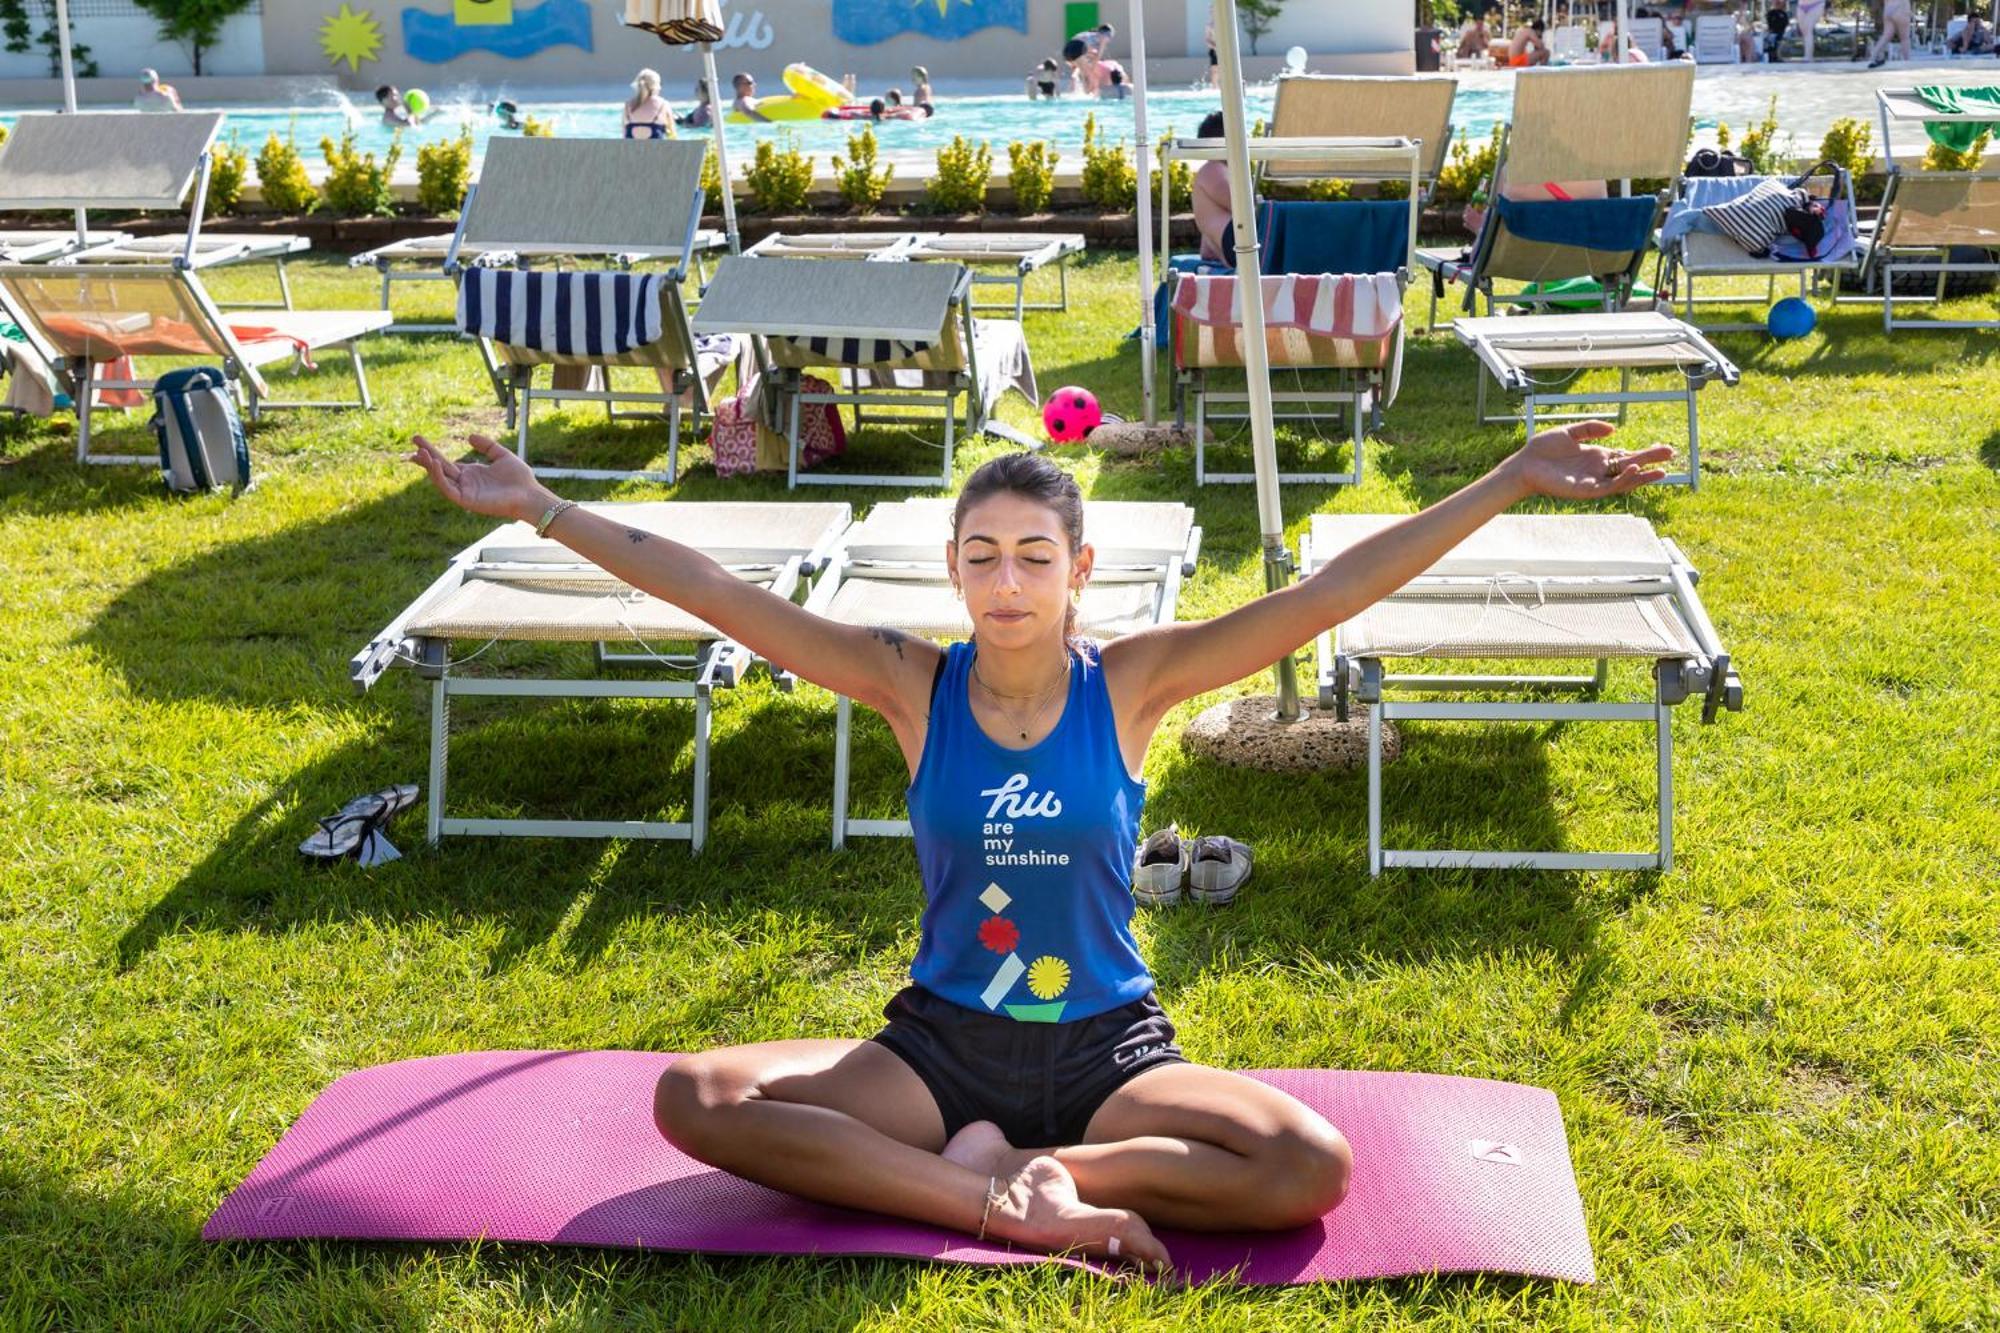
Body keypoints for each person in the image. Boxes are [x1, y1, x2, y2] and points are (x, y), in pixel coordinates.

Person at [407, 419, 1671, 1272]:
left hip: (1108, 1046)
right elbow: (719, 595)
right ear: (954, 571)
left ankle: (1026, 1166)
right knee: (694, 1095)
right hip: (941, 1043)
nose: (1005, 582)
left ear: (1078, 567)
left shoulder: (1134, 682)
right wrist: (545, 507)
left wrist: (1505, 478)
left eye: (1032, 556)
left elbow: (1326, 599)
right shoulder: (910, 685)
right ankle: (1004, 1205)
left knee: (1308, 1163)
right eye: (980, 557)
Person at [1191, 110, 1235, 266]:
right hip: (1238, 244)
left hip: (1233, 243)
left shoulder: (1214, 171)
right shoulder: (1213, 169)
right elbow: (1244, 208)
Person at [623, 68, 674, 140]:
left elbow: (624, 135)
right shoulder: (663, 105)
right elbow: (672, 135)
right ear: (656, 86)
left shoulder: (628, 105)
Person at [1868, 0, 1913, 67]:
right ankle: (1907, 61)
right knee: (1905, 38)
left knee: (1886, 35)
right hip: (1901, 8)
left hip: (1888, 9)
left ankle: (1873, 56)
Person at [1204, 18, 1220, 87]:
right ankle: (1215, 86)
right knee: (1215, 69)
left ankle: (1221, 85)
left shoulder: (1223, 25)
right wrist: (1215, 47)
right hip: (1214, 49)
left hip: (1222, 50)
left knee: (1223, 69)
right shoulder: (1210, 25)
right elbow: (1207, 39)